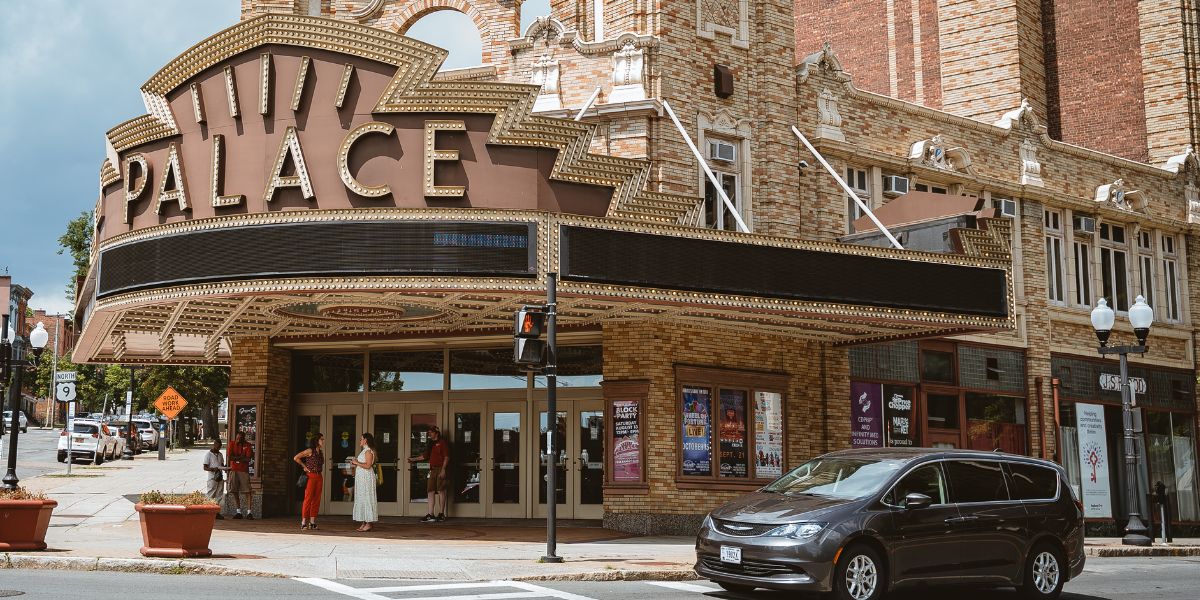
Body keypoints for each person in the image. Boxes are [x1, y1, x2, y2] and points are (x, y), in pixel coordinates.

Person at [408, 425, 449, 522]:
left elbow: (447, 457)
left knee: (441, 490)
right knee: (430, 490)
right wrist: (413, 459)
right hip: (432, 469)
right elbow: (424, 456)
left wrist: (443, 469)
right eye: (429, 432)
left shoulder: (442, 443)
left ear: (436, 433)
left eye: (431, 432)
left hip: (440, 469)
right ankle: (431, 514)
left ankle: (441, 514)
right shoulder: (431, 444)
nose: (429, 434)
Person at [293, 432, 324, 530]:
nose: (323, 441)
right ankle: (303, 522)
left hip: (319, 476)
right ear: (317, 440)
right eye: (321, 439)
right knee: (308, 499)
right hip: (311, 476)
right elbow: (296, 457)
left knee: (316, 499)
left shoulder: (320, 452)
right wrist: (304, 466)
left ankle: (312, 522)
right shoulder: (310, 450)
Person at [349, 432, 378, 532]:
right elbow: (363, 463)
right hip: (361, 479)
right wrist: (356, 461)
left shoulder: (368, 451)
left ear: (366, 440)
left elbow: (368, 465)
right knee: (361, 498)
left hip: (366, 478)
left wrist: (356, 462)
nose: (360, 441)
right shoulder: (364, 451)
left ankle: (369, 523)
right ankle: (364, 522)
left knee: (366, 498)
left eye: (361, 439)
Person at [227, 431, 254, 519]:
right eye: (237, 437)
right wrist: (241, 457)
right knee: (234, 490)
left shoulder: (248, 445)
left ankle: (249, 512)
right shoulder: (232, 444)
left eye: (240, 438)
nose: (238, 439)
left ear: (244, 438)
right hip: (234, 469)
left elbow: (248, 459)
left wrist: (237, 458)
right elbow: (230, 457)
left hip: (243, 471)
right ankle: (238, 511)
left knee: (247, 491)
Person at [202, 439, 226, 519]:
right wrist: (213, 469)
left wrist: (225, 468)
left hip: (220, 476)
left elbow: (222, 464)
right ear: (214, 444)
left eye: (220, 447)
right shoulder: (208, 454)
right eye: (217, 446)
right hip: (212, 477)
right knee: (211, 493)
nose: (218, 448)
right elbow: (205, 467)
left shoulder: (220, 455)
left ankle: (216, 511)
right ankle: (208, 511)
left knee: (219, 494)